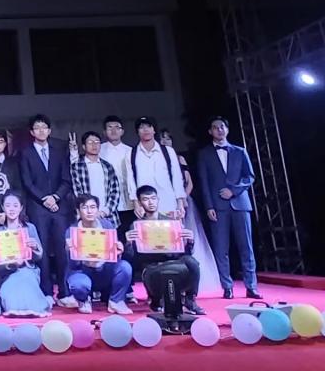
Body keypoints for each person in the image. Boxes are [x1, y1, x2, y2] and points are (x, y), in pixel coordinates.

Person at [196, 117, 260, 299]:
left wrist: (234, 190)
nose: (219, 130)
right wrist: (208, 206)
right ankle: (227, 286)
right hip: (218, 206)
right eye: (215, 127)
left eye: (222, 127)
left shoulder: (240, 151)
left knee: (246, 247)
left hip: (240, 204)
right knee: (221, 248)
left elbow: (249, 177)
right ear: (210, 131)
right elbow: (203, 182)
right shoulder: (204, 154)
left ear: (227, 129)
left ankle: (251, 286)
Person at [19, 114, 74, 307]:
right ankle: (46, 291)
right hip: (38, 207)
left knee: (62, 249)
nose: (41, 131)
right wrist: (44, 199)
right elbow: (27, 182)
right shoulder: (25, 153)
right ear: (31, 132)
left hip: (59, 207)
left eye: (44, 127)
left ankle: (64, 291)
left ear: (49, 130)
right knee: (41, 250)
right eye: (37, 128)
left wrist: (55, 197)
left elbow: (66, 179)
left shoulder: (59, 151)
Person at [125, 185, 204, 315]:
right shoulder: (136, 226)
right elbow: (132, 257)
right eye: (145, 199)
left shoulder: (171, 223)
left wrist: (189, 241)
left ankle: (190, 299)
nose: (150, 202)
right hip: (151, 266)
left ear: (158, 199)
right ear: (139, 202)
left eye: (153, 198)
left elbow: (185, 252)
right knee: (155, 273)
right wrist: (128, 243)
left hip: (173, 261)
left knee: (192, 262)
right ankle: (156, 299)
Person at [159, 128, 219, 296]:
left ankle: (195, 278)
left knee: (188, 238)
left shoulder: (179, 158)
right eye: (162, 139)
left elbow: (189, 182)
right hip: (164, 205)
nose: (165, 142)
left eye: (168, 139)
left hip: (183, 203)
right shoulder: (156, 159)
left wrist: (181, 198)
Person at [64, 194, 132, 315]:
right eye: (85, 207)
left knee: (125, 267)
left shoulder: (107, 226)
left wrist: (118, 252)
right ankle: (83, 300)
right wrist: (70, 252)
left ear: (97, 209)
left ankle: (116, 301)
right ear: (78, 211)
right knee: (79, 284)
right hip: (83, 271)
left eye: (93, 207)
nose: (89, 211)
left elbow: (113, 257)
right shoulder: (72, 231)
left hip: (104, 270)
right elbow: (73, 266)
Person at [0, 193, 50, 317]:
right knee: (11, 295)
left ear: (21, 207)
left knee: (26, 285)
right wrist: (9, 264)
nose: (11, 209)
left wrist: (35, 247)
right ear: (3, 207)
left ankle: (38, 305)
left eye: (15, 205)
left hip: (27, 270)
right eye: (8, 206)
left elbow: (39, 257)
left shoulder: (30, 228)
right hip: (7, 274)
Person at [126, 117, 186, 220]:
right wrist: (136, 204)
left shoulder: (168, 151)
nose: (146, 130)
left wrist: (180, 203)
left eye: (149, 126)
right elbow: (131, 181)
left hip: (168, 203)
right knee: (149, 230)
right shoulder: (131, 154)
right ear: (137, 132)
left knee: (171, 230)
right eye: (141, 127)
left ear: (154, 130)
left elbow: (177, 177)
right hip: (145, 206)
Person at [70, 132, 121, 226]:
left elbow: (115, 191)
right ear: (84, 146)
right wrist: (90, 211)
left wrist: (105, 211)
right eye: (90, 142)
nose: (94, 145)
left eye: (97, 142)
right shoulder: (76, 166)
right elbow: (77, 192)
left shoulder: (107, 166)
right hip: (86, 217)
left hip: (108, 216)